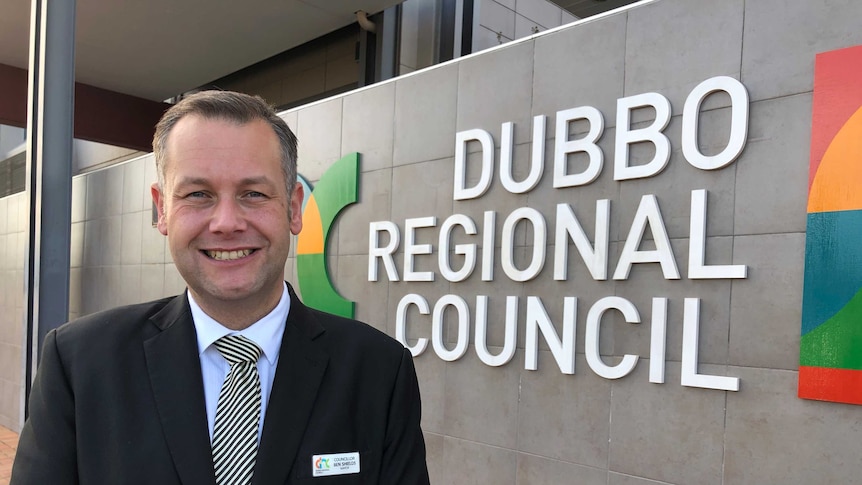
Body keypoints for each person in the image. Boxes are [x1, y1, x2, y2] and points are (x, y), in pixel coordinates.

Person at [11, 90, 430, 485]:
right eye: (198, 194)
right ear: (162, 210)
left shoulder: (379, 371)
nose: (227, 222)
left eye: (252, 193)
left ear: (293, 208)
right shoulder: (80, 364)